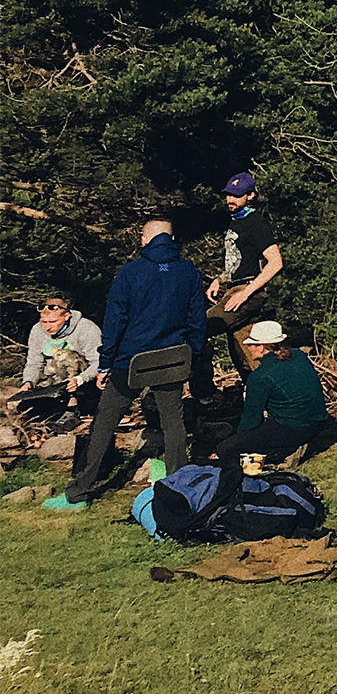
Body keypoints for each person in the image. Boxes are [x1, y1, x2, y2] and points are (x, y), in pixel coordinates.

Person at [51, 219, 206, 511]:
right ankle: (180, 486)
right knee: (174, 422)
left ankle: (79, 492)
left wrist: (105, 362)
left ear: (145, 239)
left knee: (104, 423)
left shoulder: (131, 271)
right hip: (173, 357)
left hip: (131, 361)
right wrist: (194, 354)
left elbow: (115, 320)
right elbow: (196, 317)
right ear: (171, 239)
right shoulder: (188, 270)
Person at [196, 171, 282, 399]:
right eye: (228, 195)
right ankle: (266, 397)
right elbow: (238, 262)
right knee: (245, 350)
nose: (230, 200)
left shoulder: (257, 223)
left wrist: (245, 293)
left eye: (236, 195)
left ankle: (204, 395)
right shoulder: (236, 222)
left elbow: (275, 263)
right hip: (234, 287)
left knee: (198, 328)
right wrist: (220, 279)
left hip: (247, 291)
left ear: (251, 196)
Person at [214, 321, 337, 469]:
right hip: (318, 421)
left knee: (225, 449)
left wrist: (240, 441)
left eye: (252, 344)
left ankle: (288, 452)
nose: (248, 348)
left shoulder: (260, 377)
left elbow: (251, 420)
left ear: (263, 347)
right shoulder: (299, 355)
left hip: (295, 427)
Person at [15, 294, 101, 411]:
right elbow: (34, 363)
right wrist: (28, 382)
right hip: (51, 380)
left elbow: (98, 362)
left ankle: (73, 400)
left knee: (63, 357)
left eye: (53, 322)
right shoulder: (37, 330)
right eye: (44, 322)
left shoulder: (86, 328)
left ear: (66, 316)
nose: (47, 327)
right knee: (23, 410)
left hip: (81, 379)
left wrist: (80, 379)